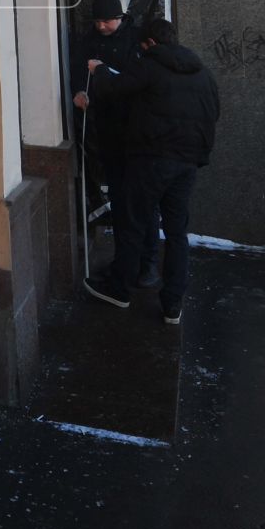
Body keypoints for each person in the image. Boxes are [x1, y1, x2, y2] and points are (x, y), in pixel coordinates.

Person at [86, 18, 220, 325]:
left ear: (149, 44)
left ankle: (119, 289)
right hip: (188, 163)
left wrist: (100, 69)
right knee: (176, 233)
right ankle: (173, 304)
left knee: (133, 223)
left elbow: (114, 89)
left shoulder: (149, 66)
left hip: (150, 160)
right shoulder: (202, 72)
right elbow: (215, 112)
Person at [71, 0, 160, 289]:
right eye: (97, 21)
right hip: (107, 132)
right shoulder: (90, 40)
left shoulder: (136, 42)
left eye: (106, 21)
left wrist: (104, 74)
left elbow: (138, 83)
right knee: (121, 205)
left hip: (136, 135)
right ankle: (124, 263)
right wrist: (79, 92)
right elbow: (77, 71)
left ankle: (148, 264)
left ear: (120, 18)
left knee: (142, 205)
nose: (101, 26)